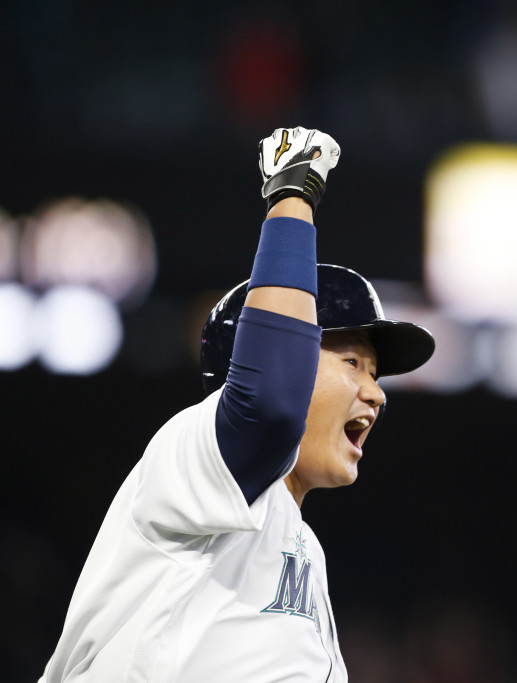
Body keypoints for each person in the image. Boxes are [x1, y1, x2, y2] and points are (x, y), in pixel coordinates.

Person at [39, 127, 435, 682]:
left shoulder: (302, 547)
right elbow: (270, 399)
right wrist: (293, 194)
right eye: (352, 364)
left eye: (375, 374)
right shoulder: (191, 460)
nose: (375, 392)